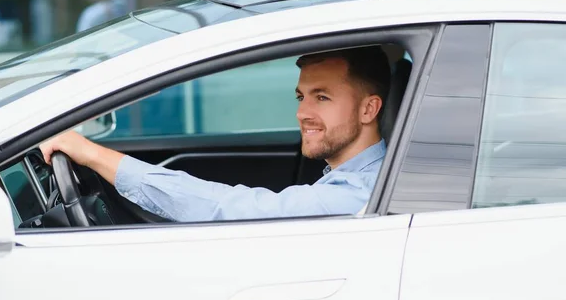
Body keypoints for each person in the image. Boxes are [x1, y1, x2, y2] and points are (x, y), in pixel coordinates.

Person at [40, 46, 391, 222]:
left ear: (368, 109)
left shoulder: (360, 195)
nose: (302, 113)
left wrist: (95, 155)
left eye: (322, 98)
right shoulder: (359, 178)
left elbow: (231, 209)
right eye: (302, 97)